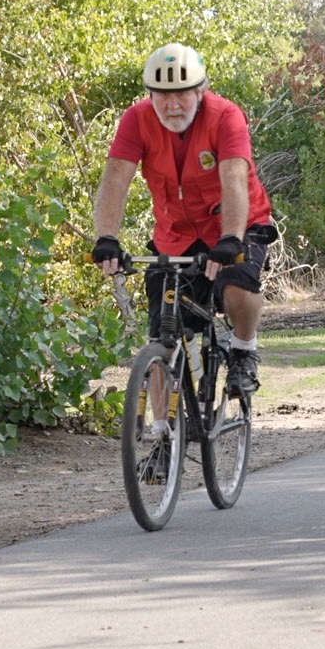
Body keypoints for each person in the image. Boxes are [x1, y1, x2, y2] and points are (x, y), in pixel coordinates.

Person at [91, 43, 277, 398]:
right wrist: (107, 238)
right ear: (150, 94)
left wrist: (231, 239)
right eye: (163, 96)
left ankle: (243, 349)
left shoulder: (226, 116)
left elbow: (234, 177)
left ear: (200, 91)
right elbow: (116, 177)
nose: (172, 105)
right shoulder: (137, 119)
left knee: (238, 281)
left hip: (237, 224)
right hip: (175, 234)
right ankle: (161, 438)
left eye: (182, 96)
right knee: (163, 336)